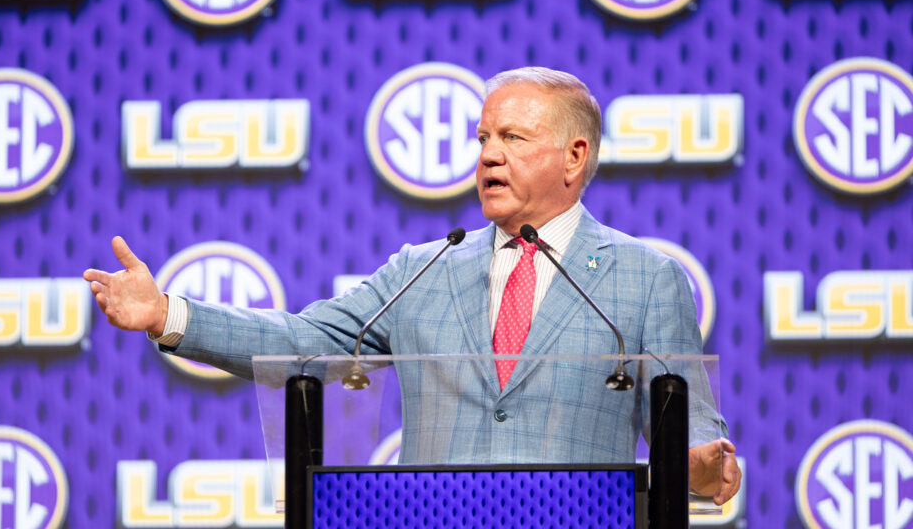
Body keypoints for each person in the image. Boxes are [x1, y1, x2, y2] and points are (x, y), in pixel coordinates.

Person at [84, 67, 741, 505]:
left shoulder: (646, 280)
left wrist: (703, 467)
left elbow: (691, 430)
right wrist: (169, 313)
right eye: (483, 137)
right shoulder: (424, 270)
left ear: (575, 156)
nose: (488, 154)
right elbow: (307, 341)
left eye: (513, 137)